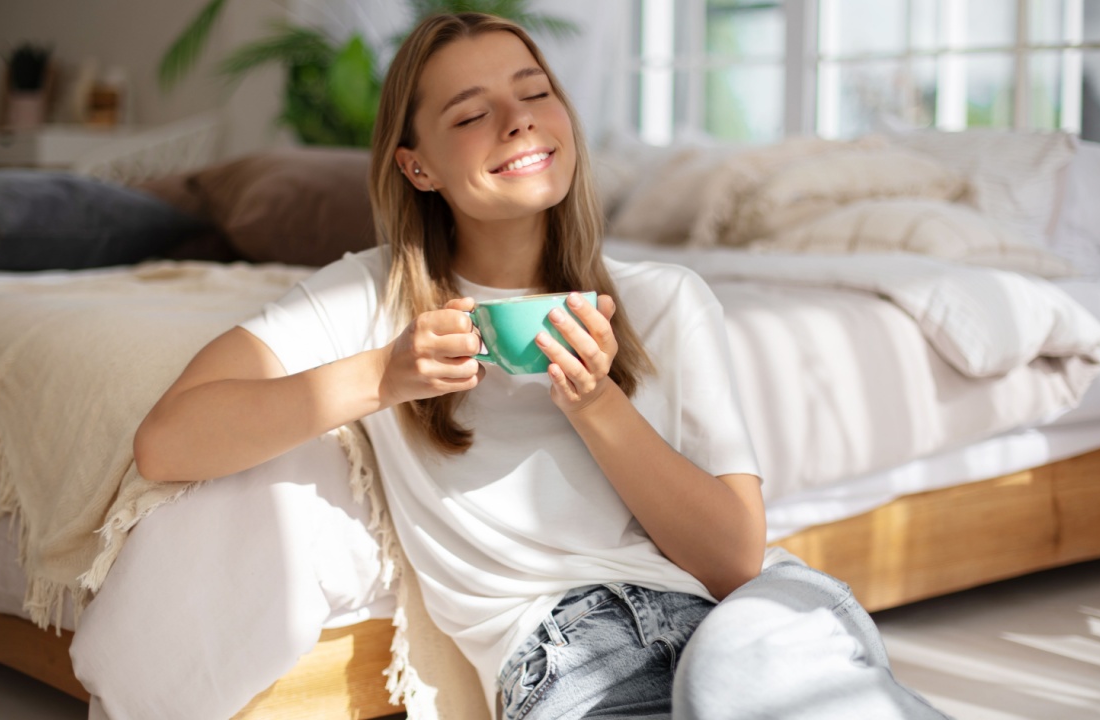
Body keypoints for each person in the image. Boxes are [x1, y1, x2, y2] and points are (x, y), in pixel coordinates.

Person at [133, 12, 951, 720]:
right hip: (568, 663)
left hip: (744, 622)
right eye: (470, 114)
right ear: (418, 166)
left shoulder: (667, 300)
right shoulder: (373, 300)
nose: (519, 122)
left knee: (736, 670)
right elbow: (168, 441)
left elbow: (735, 560)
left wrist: (596, 402)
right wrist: (383, 378)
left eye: (534, 92)